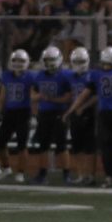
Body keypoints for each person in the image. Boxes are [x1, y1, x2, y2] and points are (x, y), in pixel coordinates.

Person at [67, 47, 112, 187]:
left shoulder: (96, 75)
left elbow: (84, 95)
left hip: (106, 113)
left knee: (107, 146)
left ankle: (110, 176)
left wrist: (72, 109)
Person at [30, 47, 72, 184]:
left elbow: (68, 97)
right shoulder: (39, 75)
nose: (49, 62)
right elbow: (33, 95)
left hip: (59, 112)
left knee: (62, 145)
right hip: (44, 113)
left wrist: (50, 99)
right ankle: (42, 174)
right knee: (43, 145)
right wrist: (38, 102)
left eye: (52, 59)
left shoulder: (65, 75)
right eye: (47, 60)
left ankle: (67, 174)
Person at [0, 49, 33, 183]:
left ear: (27, 62)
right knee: (0, 144)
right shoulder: (6, 75)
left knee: (22, 145)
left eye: (21, 61)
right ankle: (6, 168)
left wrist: (33, 115)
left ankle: (20, 172)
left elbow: (33, 97)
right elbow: (3, 95)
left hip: (24, 112)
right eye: (15, 60)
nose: (18, 63)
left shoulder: (30, 77)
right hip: (9, 112)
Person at [65, 47, 97, 186]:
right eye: (76, 61)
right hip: (75, 113)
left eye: (81, 61)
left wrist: (82, 107)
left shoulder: (92, 75)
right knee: (76, 146)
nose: (78, 64)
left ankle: (89, 175)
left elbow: (96, 96)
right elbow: (69, 95)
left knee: (89, 147)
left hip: (89, 112)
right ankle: (80, 174)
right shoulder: (70, 76)